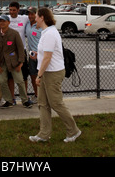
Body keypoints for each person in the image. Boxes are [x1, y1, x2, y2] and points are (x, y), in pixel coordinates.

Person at [29, 7, 81, 143]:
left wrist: (39, 76)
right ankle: (43, 134)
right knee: (42, 104)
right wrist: (36, 55)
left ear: (42, 18)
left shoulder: (50, 33)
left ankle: (73, 131)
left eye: (36, 16)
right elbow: (44, 55)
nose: (35, 19)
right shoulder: (46, 32)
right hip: (45, 71)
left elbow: (48, 57)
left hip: (52, 73)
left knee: (56, 103)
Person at [0, 14, 32, 108]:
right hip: (2, 62)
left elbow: (21, 49)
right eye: (0, 21)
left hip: (14, 62)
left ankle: (25, 100)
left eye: (4, 21)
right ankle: (8, 100)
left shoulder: (14, 34)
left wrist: (21, 63)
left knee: (20, 81)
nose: (2, 23)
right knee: (2, 81)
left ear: (8, 23)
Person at [8, 1, 30, 103]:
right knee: (10, 76)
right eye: (10, 10)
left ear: (18, 10)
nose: (12, 12)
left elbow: (34, 15)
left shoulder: (24, 19)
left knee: (24, 76)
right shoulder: (4, 19)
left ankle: (24, 97)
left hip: (21, 51)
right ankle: (12, 97)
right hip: (10, 52)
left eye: (14, 10)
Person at [25, 7, 41, 103]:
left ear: (36, 14)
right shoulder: (27, 25)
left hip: (41, 55)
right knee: (33, 76)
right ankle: (37, 95)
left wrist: (39, 53)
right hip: (31, 55)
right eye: (29, 14)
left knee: (42, 77)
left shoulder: (40, 26)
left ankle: (44, 96)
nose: (30, 16)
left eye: (32, 14)